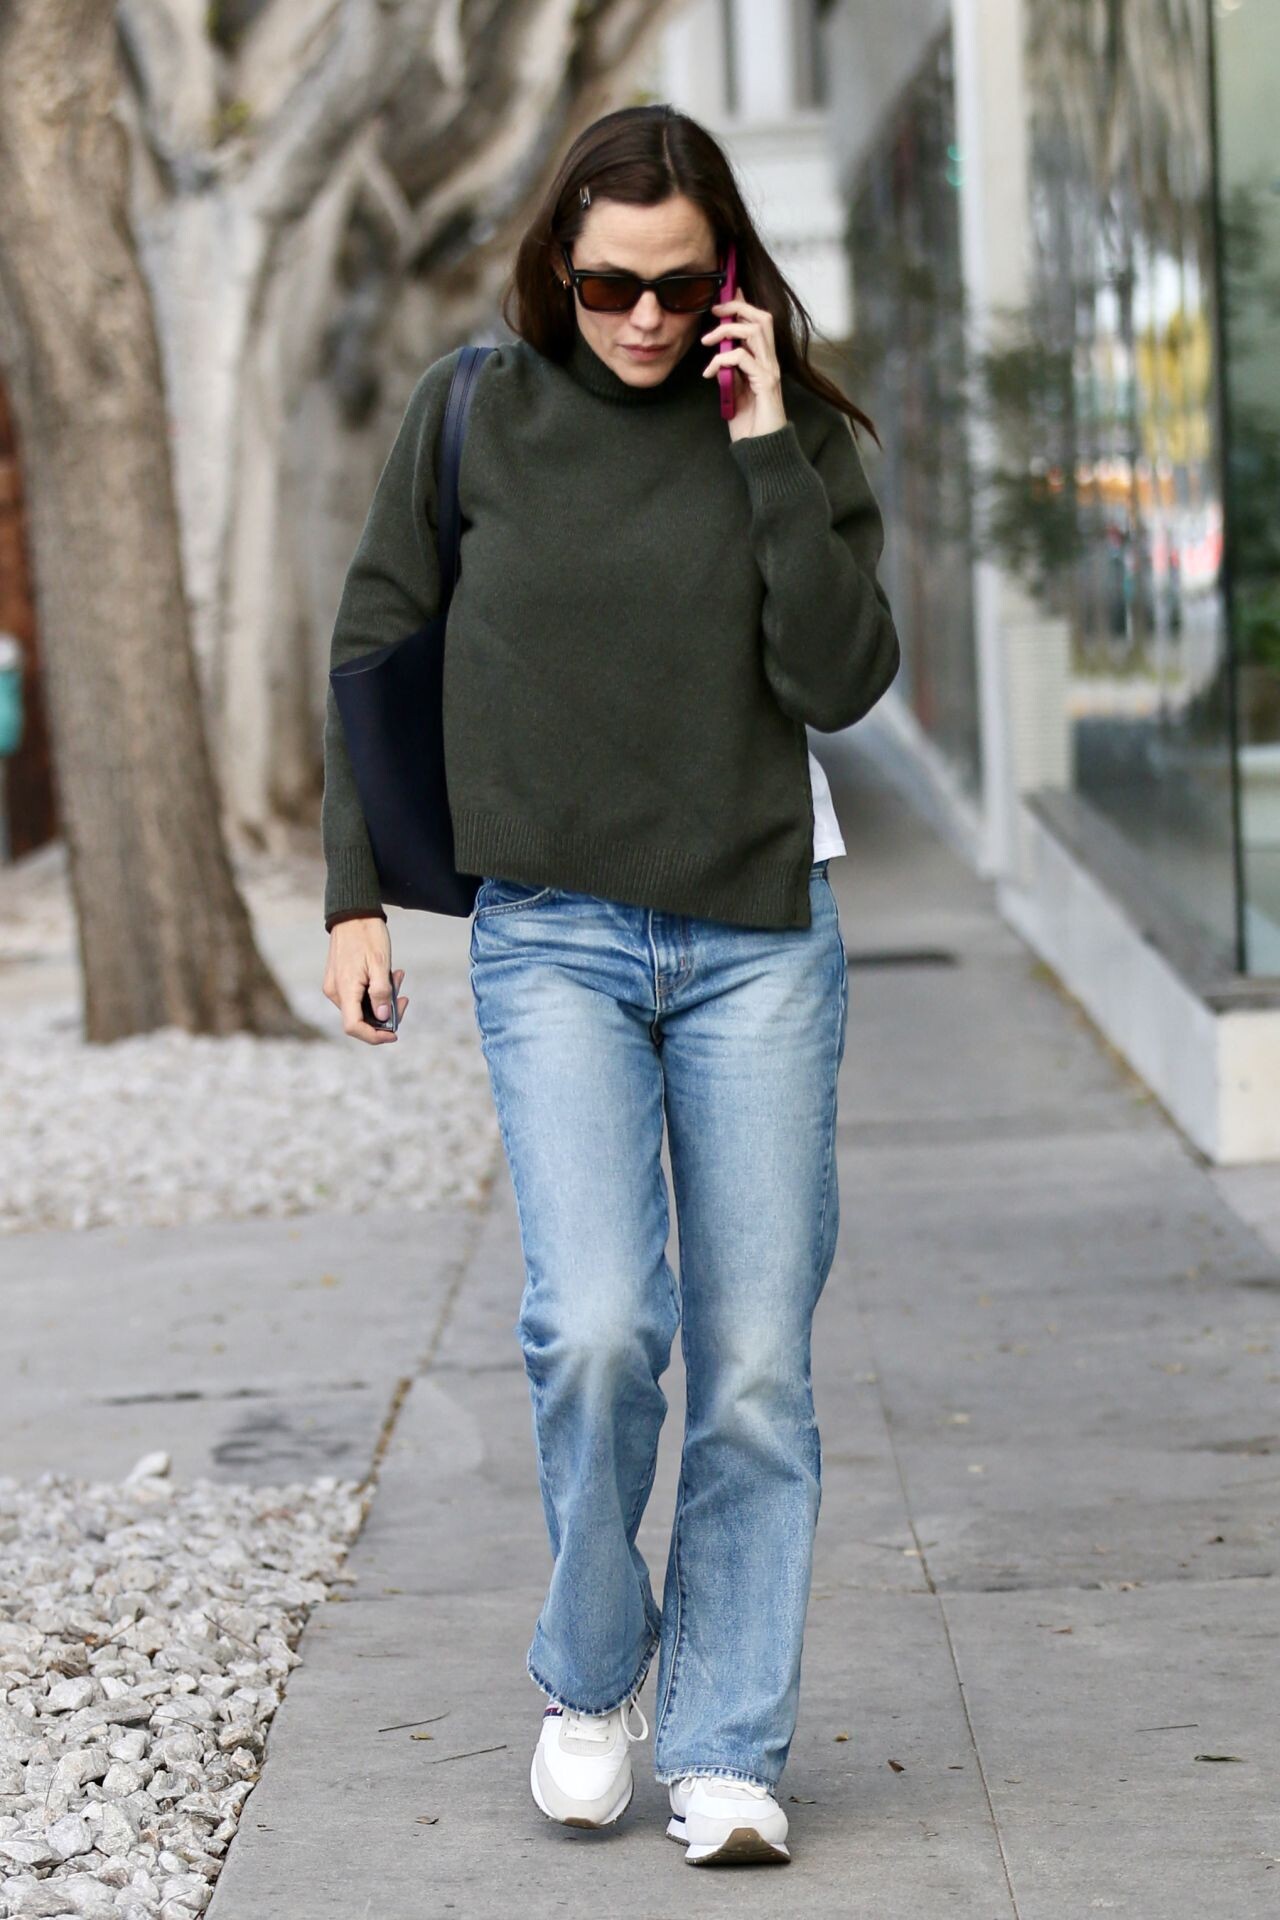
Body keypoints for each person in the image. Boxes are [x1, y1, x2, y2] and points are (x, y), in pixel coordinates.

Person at [320, 103, 900, 1867]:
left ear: (730, 278)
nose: (643, 319)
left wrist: (766, 439)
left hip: (757, 936)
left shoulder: (788, 430)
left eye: (678, 285)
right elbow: (374, 639)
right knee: (595, 1331)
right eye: (606, 286)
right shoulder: (474, 411)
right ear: (553, 270)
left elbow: (841, 677)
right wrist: (357, 897)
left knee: (753, 1369)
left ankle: (725, 1744)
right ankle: (590, 1677)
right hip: (554, 935)